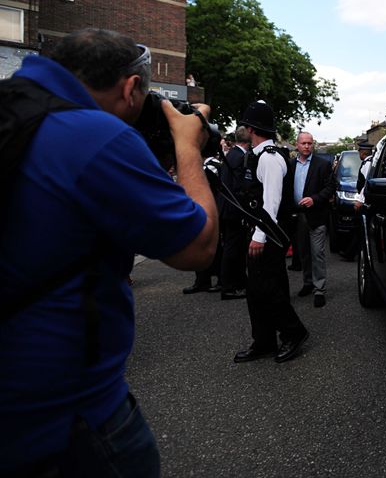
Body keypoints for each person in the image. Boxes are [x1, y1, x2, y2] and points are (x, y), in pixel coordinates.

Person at [0, 28, 219, 477]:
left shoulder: (14, 112)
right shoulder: (97, 137)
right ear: (130, 87)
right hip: (63, 414)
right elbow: (199, 246)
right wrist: (187, 147)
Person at [233, 100, 309, 364]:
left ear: (252, 128)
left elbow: (271, 203)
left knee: (269, 289)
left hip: (267, 235)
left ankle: (293, 332)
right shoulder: (257, 157)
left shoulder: (270, 159)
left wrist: (258, 236)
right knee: (255, 291)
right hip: (258, 232)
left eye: (246, 125)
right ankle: (263, 340)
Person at [287, 131, 336, 307]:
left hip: (316, 215)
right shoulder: (290, 165)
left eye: (310, 143)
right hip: (297, 215)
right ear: (297, 144)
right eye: (304, 143)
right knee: (303, 253)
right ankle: (308, 283)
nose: (307, 146)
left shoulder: (322, 164)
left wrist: (314, 199)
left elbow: (331, 187)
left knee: (318, 253)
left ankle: (319, 289)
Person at [219, 127, 251, 301]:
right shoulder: (240, 157)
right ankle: (228, 287)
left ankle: (236, 283)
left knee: (232, 248)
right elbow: (238, 187)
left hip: (226, 208)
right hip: (234, 210)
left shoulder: (231, 154)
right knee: (233, 249)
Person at [342, 142, 374, 261]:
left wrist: (360, 200)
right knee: (358, 228)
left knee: (360, 229)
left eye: (360, 152)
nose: (359, 154)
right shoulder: (368, 163)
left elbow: (366, 184)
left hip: (365, 202)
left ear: (363, 152)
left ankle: (350, 254)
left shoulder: (367, 164)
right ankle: (349, 253)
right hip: (365, 201)